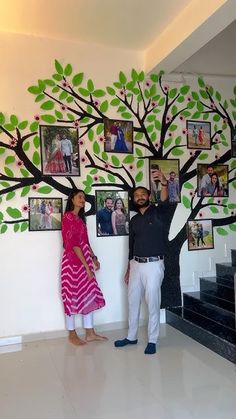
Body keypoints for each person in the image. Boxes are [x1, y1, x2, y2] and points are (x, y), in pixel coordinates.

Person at [114, 170, 168, 355]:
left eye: (143, 194)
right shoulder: (135, 220)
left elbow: (164, 200)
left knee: (152, 302)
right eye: (136, 195)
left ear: (149, 196)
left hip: (154, 265)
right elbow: (131, 246)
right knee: (133, 301)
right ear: (134, 200)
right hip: (135, 265)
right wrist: (129, 269)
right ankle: (131, 336)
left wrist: (164, 182)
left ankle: (152, 340)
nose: (139, 197)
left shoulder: (159, 213)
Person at [61, 189, 107, 345]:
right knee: (71, 295)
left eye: (84, 197)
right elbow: (73, 245)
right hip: (73, 262)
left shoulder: (80, 220)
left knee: (88, 294)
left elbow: (85, 242)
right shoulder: (67, 217)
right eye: (79, 197)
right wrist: (87, 267)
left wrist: (93, 259)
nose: (82, 199)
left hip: (85, 258)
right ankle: (72, 334)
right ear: (72, 199)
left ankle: (90, 332)